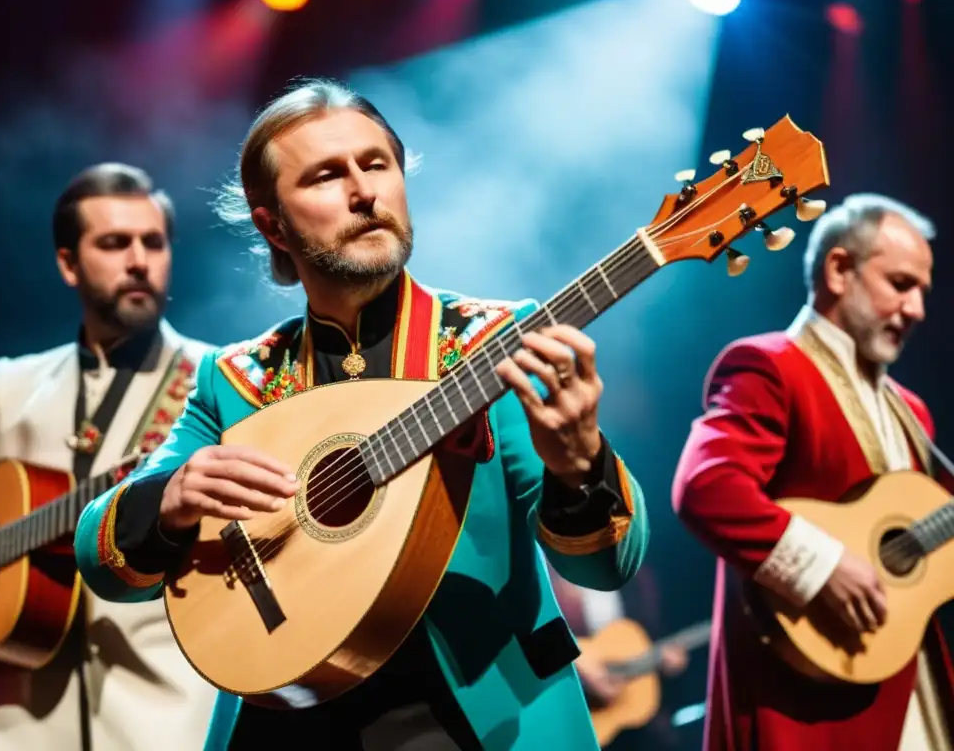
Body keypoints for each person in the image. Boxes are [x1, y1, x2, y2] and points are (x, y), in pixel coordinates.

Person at [73, 78, 651, 750]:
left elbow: (608, 569)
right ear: (272, 224)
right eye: (325, 176)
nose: (363, 191)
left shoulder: (498, 343)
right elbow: (100, 556)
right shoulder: (236, 380)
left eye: (376, 164)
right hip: (285, 723)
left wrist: (580, 466)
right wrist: (171, 499)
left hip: (477, 723)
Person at [0, 163, 218, 750]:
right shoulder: (13, 385)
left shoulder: (221, 379)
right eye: (114, 243)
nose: (139, 260)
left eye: (153, 242)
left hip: (165, 714)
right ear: (68, 263)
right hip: (11, 726)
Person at [671, 193, 954, 750]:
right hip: (807, 713)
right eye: (901, 284)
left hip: (910, 692)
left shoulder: (912, 411)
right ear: (839, 269)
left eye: (922, 290)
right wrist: (823, 565)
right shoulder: (768, 365)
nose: (918, 308)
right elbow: (707, 485)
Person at [549, 565, 690, 749]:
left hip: (619, 714)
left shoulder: (636, 575)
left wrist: (664, 661)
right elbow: (532, 625)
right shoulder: (548, 570)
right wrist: (577, 658)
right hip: (556, 690)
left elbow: (647, 632)